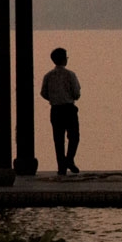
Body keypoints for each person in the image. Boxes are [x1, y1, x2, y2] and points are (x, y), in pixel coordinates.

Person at [40, 46, 81, 176]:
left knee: (58, 139)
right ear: (64, 59)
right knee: (74, 136)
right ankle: (69, 159)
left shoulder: (48, 76)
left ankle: (61, 167)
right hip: (69, 108)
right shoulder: (70, 75)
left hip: (55, 109)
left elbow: (43, 93)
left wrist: (53, 98)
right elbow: (76, 93)